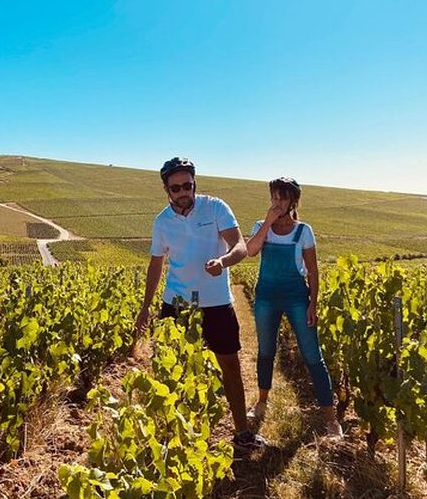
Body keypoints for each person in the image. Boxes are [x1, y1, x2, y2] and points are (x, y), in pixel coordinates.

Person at [136, 157, 267, 450]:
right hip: (177, 305)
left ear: (195, 183)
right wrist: (146, 307)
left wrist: (223, 261)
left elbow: (240, 246)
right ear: (166, 190)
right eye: (176, 188)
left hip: (217, 303)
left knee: (230, 366)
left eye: (188, 185)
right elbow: (156, 265)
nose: (183, 192)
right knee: (174, 369)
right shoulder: (162, 222)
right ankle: (178, 436)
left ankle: (242, 433)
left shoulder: (216, 207)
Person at [245, 177, 342, 438]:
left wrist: (313, 303)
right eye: (274, 197)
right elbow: (251, 251)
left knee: (313, 356)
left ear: (293, 201)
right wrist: (266, 223)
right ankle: (262, 402)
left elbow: (312, 271)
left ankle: (331, 419)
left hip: (297, 297)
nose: (277, 202)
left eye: (283, 198)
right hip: (266, 296)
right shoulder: (260, 226)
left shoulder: (304, 231)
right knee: (266, 352)